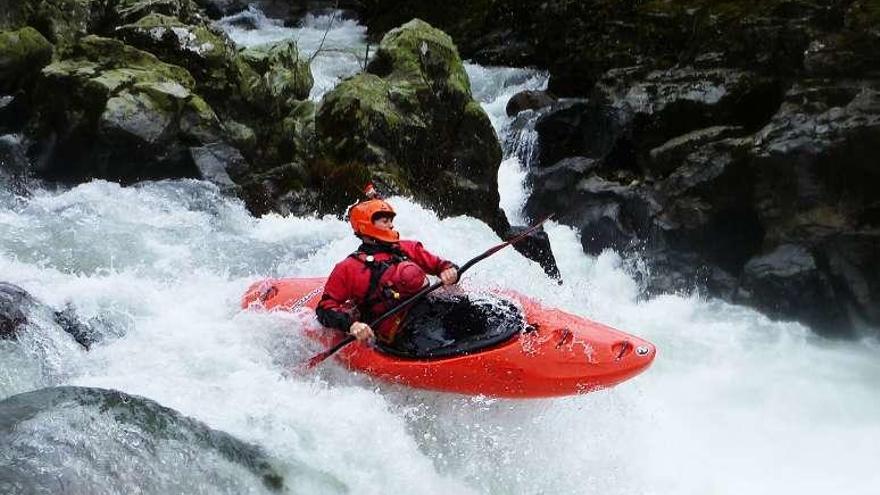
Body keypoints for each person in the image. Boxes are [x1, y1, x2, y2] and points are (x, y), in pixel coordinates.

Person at [316, 190, 459, 344]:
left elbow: (442, 265)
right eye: (385, 221)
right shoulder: (349, 268)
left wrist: (449, 271)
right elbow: (325, 308)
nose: (391, 226)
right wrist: (352, 325)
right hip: (402, 330)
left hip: (430, 310)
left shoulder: (407, 248)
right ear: (367, 225)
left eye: (391, 221)